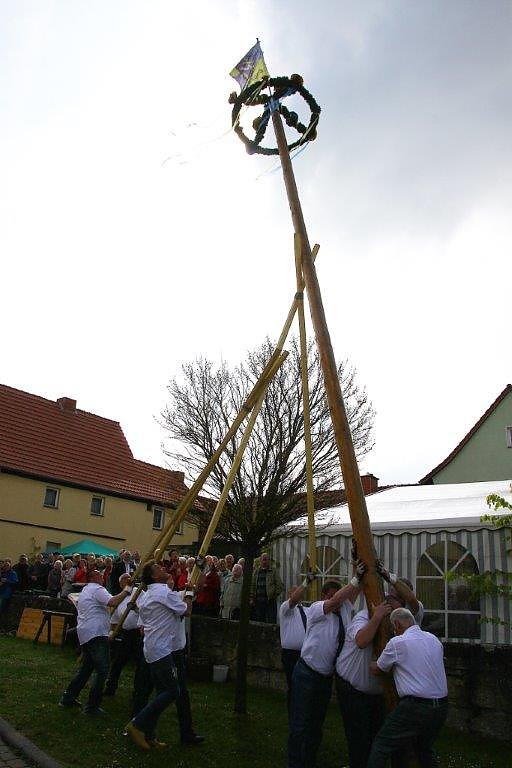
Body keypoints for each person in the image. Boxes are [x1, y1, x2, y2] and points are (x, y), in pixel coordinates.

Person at [288, 564, 365, 768]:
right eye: (333, 596)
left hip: (325, 678)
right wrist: (355, 579)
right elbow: (336, 601)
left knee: (316, 724)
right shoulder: (317, 610)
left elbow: (352, 594)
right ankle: (295, 763)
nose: (338, 601)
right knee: (300, 723)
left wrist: (360, 570)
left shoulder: (345, 610)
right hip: (306, 673)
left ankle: (309, 760)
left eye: (339, 597)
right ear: (324, 596)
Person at [125, 562, 196, 750]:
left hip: (153, 648)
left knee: (161, 690)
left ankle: (149, 735)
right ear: (154, 576)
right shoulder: (164, 593)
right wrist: (189, 594)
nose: (164, 569)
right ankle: (137, 724)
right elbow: (186, 611)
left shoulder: (148, 594)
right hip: (161, 651)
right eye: (159, 568)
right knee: (173, 691)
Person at [368, 607, 449, 768]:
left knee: (382, 744)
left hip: (415, 706)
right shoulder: (433, 639)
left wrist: (371, 661)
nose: (394, 632)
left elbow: (379, 669)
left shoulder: (398, 642)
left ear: (397, 624)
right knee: (424, 748)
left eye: (394, 628)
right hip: (441, 707)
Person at [59, 570, 132, 714]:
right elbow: (113, 602)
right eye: (100, 575)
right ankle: (92, 706)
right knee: (103, 669)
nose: (103, 577)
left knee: (86, 669)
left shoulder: (86, 590)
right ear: (94, 578)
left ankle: (68, 698)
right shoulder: (97, 589)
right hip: (96, 634)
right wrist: (127, 590)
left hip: (86, 633)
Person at [335, 601, 392, 768]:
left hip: (377, 695)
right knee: (358, 738)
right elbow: (361, 641)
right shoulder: (362, 616)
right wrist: (377, 617)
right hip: (352, 689)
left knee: (376, 737)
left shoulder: (398, 620)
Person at [104, 575, 152, 718]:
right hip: (126, 635)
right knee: (118, 662)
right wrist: (112, 634)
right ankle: (110, 687)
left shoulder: (140, 593)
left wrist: (136, 608)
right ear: (120, 584)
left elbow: (146, 613)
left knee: (140, 666)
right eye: (123, 580)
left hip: (138, 634)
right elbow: (114, 619)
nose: (127, 582)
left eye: (128, 579)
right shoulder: (120, 597)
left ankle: (137, 694)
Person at [279, 575, 314, 713]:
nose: (298, 594)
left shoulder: (306, 610)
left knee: (305, 683)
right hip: (290, 654)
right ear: (289, 594)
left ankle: (303, 709)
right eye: (295, 591)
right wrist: (306, 583)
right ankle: (293, 710)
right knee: (293, 684)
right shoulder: (285, 608)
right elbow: (293, 601)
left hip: (305, 653)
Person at [376, 560, 424, 625]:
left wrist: (390, 577)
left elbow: (411, 599)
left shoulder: (416, 606)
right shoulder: (388, 597)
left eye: (396, 597)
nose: (391, 595)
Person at [251, 553, 284, 624]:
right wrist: (252, 597)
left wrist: (273, 595)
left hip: (270, 602)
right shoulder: (256, 572)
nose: (265, 561)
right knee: (260, 622)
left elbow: (280, 586)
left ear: (269, 561)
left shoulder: (273, 571)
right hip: (258, 602)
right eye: (263, 560)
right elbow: (253, 585)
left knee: (271, 622)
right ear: (260, 561)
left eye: (266, 560)